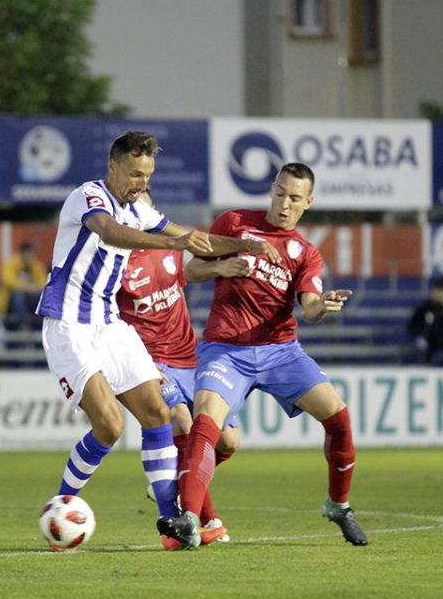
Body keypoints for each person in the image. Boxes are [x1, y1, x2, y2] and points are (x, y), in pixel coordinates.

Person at [35, 131, 278, 545]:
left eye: (146, 176)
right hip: (68, 323)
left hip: (109, 323)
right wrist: (172, 240)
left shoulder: (139, 210)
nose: (141, 184)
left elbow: (196, 239)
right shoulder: (87, 197)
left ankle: (172, 523)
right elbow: (110, 233)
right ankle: (63, 502)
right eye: (134, 174)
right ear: (112, 167)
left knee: (156, 414)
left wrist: (245, 244)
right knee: (109, 427)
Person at [157, 162, 369, 548]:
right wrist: (223, 266)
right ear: (272, 188)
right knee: (207, 421)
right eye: (279, 193)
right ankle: (188, 519)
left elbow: (307, 309)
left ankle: (339, 505)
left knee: (338, 416)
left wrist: (322, 305)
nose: (284, 204)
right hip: (225, 349)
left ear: (308, 202)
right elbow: (191, 269)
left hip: (279, 351)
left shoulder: (306, 253)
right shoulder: (233, 222)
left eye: (294, 198)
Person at [116, 188, 240, 549]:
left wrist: (222, 266)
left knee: (228, 440)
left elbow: (191, 273)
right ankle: (205, 520)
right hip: (150, 362)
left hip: (192, 357)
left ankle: (173, 482)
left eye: (146, 203)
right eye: (131, 204)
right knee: (183, 422)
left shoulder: (170, 246)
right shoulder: (116, 261)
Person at [0, 241, 47, 329]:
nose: (30, 256)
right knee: (18, 294)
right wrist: (27, 287)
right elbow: (8, 281)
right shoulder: (10, 264)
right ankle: (23, 325)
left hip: (30, 299)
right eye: (28, 253)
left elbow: (44, 281)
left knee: (42, 294)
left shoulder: (35, 265)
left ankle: (41, 323)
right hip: (9, 302)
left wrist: (36, 287)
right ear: (22, 253)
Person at [407, 277, 443, 363]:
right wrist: (420, 335)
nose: (439, 294)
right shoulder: (425, 307)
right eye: (437, 290)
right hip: (427, 344)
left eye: (441, 291)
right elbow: (411, 326)